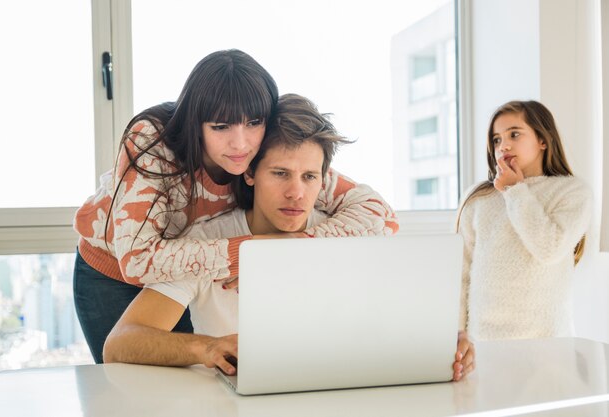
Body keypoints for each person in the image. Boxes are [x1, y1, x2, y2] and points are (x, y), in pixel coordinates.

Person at [103, 93, 474, 381]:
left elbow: (394, 313)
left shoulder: (343, 235)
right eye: (280, 174)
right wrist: (207, 347)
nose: (297, 193)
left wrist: (442, 339)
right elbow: (121, 342)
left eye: (310, 177)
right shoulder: (209, 242)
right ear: (248, 174)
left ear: (324, 179)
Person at [73, 50, 399, 364]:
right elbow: (137, 261)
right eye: (220, 127)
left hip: (187, 269)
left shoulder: (263, 150)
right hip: (112, 270)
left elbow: (379, 215)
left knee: (201, 370)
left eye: (253, 123)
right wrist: (252, 254)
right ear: (196, 121)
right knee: (134, 381)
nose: (240, 144)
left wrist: (294, 249)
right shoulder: (154, 142)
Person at [456, 100, 593, 341]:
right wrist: (458, 335)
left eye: (514, 134)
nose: (503, 145)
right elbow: (461, 273)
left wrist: (515, 190)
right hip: (484, 343)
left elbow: (549, 248)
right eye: (496, 139)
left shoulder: (573, 192)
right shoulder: (479, 198)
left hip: (547, 344)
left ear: (543, 140)